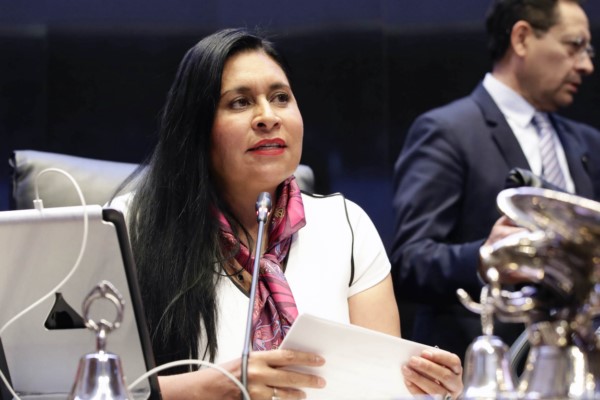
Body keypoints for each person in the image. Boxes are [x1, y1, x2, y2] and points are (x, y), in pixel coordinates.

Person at [112, 28, 463, 400]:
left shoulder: (346, 225)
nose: (268, 117)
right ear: (196, 126)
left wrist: (429, 388)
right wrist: (208, 387)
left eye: (280, 97)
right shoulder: (128, 227)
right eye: (239, 103)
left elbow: (382, 389)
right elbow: (83, 388)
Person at [391, 0, 600, 363]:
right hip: (483, 365)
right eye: (574, 45)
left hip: (578, 365)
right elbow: (410, 262)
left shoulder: (588, 143)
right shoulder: (448, 131)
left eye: (589, 51)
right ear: (522, 38)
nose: (586, 65)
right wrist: (487, 257)